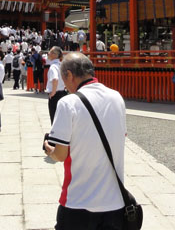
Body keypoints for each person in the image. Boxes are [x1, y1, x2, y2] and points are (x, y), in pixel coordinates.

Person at [44, 52, 126, 229]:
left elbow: (60, 155)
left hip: (78, 201)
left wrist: (49, 150)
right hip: (115, 202)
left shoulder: (68, 103)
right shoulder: (117, 97)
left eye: (64, 80)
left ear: (69, 75)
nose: (65, 86)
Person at [46, 46, 66, 123]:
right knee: (62, 119)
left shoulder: (53, 66)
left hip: (56, 95)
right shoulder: (61, 65)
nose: (48, 53)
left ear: (54, 55)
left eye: (50, 52)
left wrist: (53, 92)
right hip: (62, 92)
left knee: (54, 118)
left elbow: (55, 79)